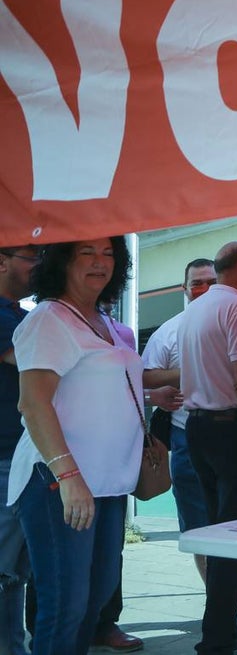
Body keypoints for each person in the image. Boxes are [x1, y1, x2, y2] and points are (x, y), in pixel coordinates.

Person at [8, 237, 142, 654]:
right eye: (87, 252)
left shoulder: (102, 319)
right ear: (62, 261)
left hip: (108, 484)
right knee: (66, 604)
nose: (100, 262)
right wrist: (68, 475)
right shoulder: (49, 318)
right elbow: (32, 402)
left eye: (108, 253)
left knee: (94, 599)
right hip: (61, 483)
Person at [142, 259, 237, 631]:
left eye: (209, 281)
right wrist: (193, 368)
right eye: (196, 283)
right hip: (192, 436)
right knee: (201, 527)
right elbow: (144, 376)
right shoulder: (173, 328)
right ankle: (220, 612)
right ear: (184, 289)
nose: (203, 288)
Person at [179, 243, 237, 654]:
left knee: (219, 532)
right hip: (231, 429)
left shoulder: (194, 310)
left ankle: (220, 629)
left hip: (198, 429)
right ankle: (217, 635)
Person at [0, 245, 37, 655]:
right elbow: (36, 360)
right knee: (5, 571)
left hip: (24, 456)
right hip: (5, 457)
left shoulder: (24, 317)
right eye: (31, 256)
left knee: (17, 572)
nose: (39, 265)